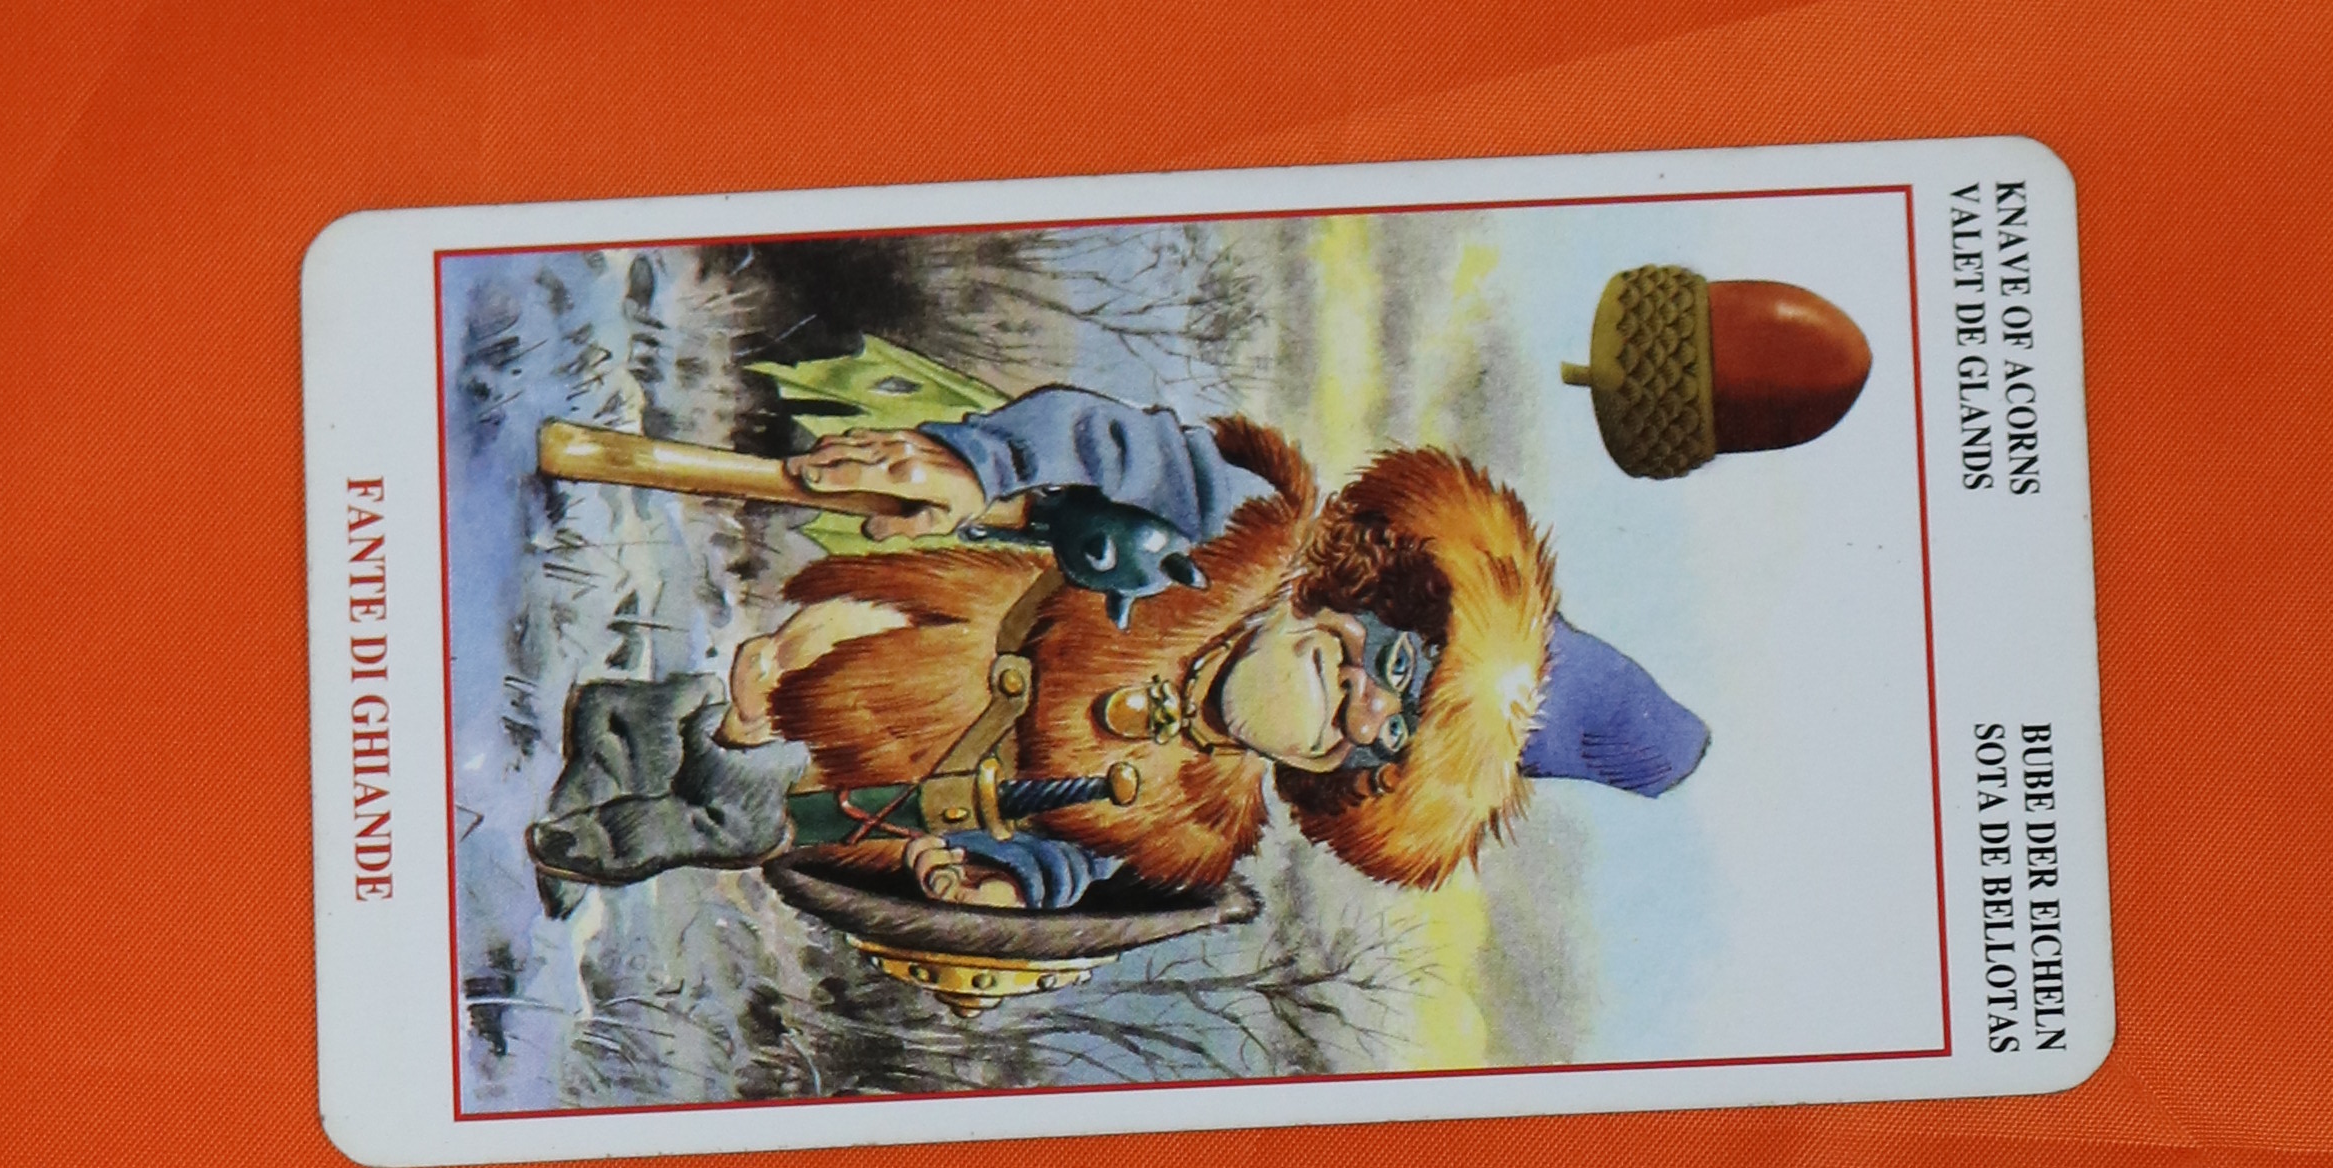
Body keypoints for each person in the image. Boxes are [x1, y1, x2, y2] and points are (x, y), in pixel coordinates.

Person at [719, 383, 1709, 924]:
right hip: (888, 637)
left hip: (850, 794)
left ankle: (720, 763)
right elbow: (1105, 440)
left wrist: (1015, 880)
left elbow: (1077, 858)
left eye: (1394, 738)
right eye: (1403, 668)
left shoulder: (1189, 828)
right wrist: (979, 463)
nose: (1365, 703)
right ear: (1376, 594)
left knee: (718, 798)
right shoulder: (1233, 530)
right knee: (768, 669)